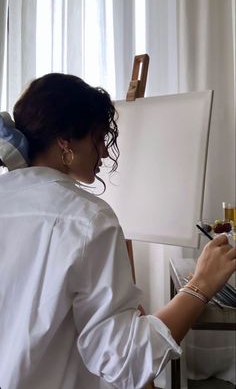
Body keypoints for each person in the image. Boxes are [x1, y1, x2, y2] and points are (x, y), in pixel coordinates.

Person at [0, 73, 235, 389]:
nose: (106, 153)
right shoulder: (87, 218)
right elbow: (124, 360)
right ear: (65, 143)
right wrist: (201, 284)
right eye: (99, 138)